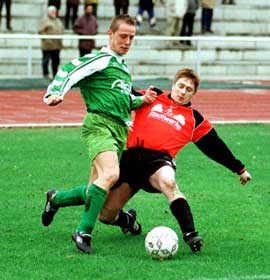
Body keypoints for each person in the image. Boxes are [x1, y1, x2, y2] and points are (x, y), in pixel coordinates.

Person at [41, 68, 252, 253]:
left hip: (158, 161)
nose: (183, 91)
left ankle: (190, 234)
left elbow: (215, 146)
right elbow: (124, 92)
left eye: (188, 89)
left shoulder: (194, 118)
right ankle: (61, 200)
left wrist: (239, 169)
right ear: (173, 84)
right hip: (130, 157)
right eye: (180, 86)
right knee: (104, 211)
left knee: (169, 183)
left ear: (194, 93)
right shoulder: (154, 96)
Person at [42, 14, 157, 254]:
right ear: (110, 34)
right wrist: (55, 92)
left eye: (131, 37)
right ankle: (83, 231)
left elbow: (122, 100)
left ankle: (55, 199)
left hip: (118, 131)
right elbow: (70, 70)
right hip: (99, 125)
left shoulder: (122, 68)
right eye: (123, 36)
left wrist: (140, 100)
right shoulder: (101, 58)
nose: (127, 41)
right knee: (112, 174)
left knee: (95, 188)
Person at [38, 5, 64, 79]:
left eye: (55, 11)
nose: (54, 13)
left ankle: (55, 75)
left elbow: (61, 30)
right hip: (48, 45)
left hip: (57, 45)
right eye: (52, 11)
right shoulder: (44, 20)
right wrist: (47, 40)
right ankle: (45, 74)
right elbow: (41, 31)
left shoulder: (58, 20)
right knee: (46, 60)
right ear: (49, 12)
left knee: (56, 61)